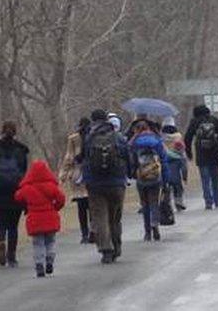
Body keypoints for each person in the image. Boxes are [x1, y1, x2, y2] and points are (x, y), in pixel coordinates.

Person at [82, 109, 130, 264]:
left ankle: (106, 250)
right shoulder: (118, 137)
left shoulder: (89, 137)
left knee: (100, 217)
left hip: (95, 184)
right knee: (115, 217)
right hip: (116, 183)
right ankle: (117, 246)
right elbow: (127, 156)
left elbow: (83, 158)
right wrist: (128, 174)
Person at [0, 121, 29, 267]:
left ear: (2, 131)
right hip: (16, 193)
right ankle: (12, 257)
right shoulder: (21, 150)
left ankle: (0, 242)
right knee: (13, 227)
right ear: (15, 132)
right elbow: (24, 171)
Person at [15, 160, 66, 278]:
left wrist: (26, 204)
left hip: (35, 220)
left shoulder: (27, 188)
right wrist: (55, 208)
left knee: (37, 244)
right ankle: (49, 260)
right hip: (50, 219)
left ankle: (39, 264)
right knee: (50, 242)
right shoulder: (52, 186)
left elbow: (17, 196)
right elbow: (61, 199)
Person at [130, 121, 169, 241]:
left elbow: (131, 160)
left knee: (144, 204)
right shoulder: (157, 141)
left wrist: (132, 174)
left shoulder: (134, 143)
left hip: (141, 177)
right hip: (155, 177)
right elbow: (164, 160)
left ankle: (147, 232)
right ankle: (155, 225)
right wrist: (166, 179)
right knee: (154, 202)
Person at [184, 105, 218, 210]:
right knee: (215, 178)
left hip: (201, 154)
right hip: (215, 153)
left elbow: (187, 138)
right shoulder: (214, 120)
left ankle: (208, 201)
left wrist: (189, 153)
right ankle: (217, 200)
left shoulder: (194, 122)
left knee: (205, 179)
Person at [59, 117, 92, 244]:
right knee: (93, 205)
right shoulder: (93, 136)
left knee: (81, 207)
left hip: (77, 174)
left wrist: (63, 174)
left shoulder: (73, 139)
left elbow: (69, 158)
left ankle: (84, 234)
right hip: (91, 174)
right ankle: (94, 230)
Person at [161, 117, 188, 211]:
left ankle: (167, 202)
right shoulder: (178, 136)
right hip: (176, 160)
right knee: (177, 183)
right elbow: (182, 150)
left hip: (164, 160)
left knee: (166, 184)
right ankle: (178, 201)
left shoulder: (161, 137)